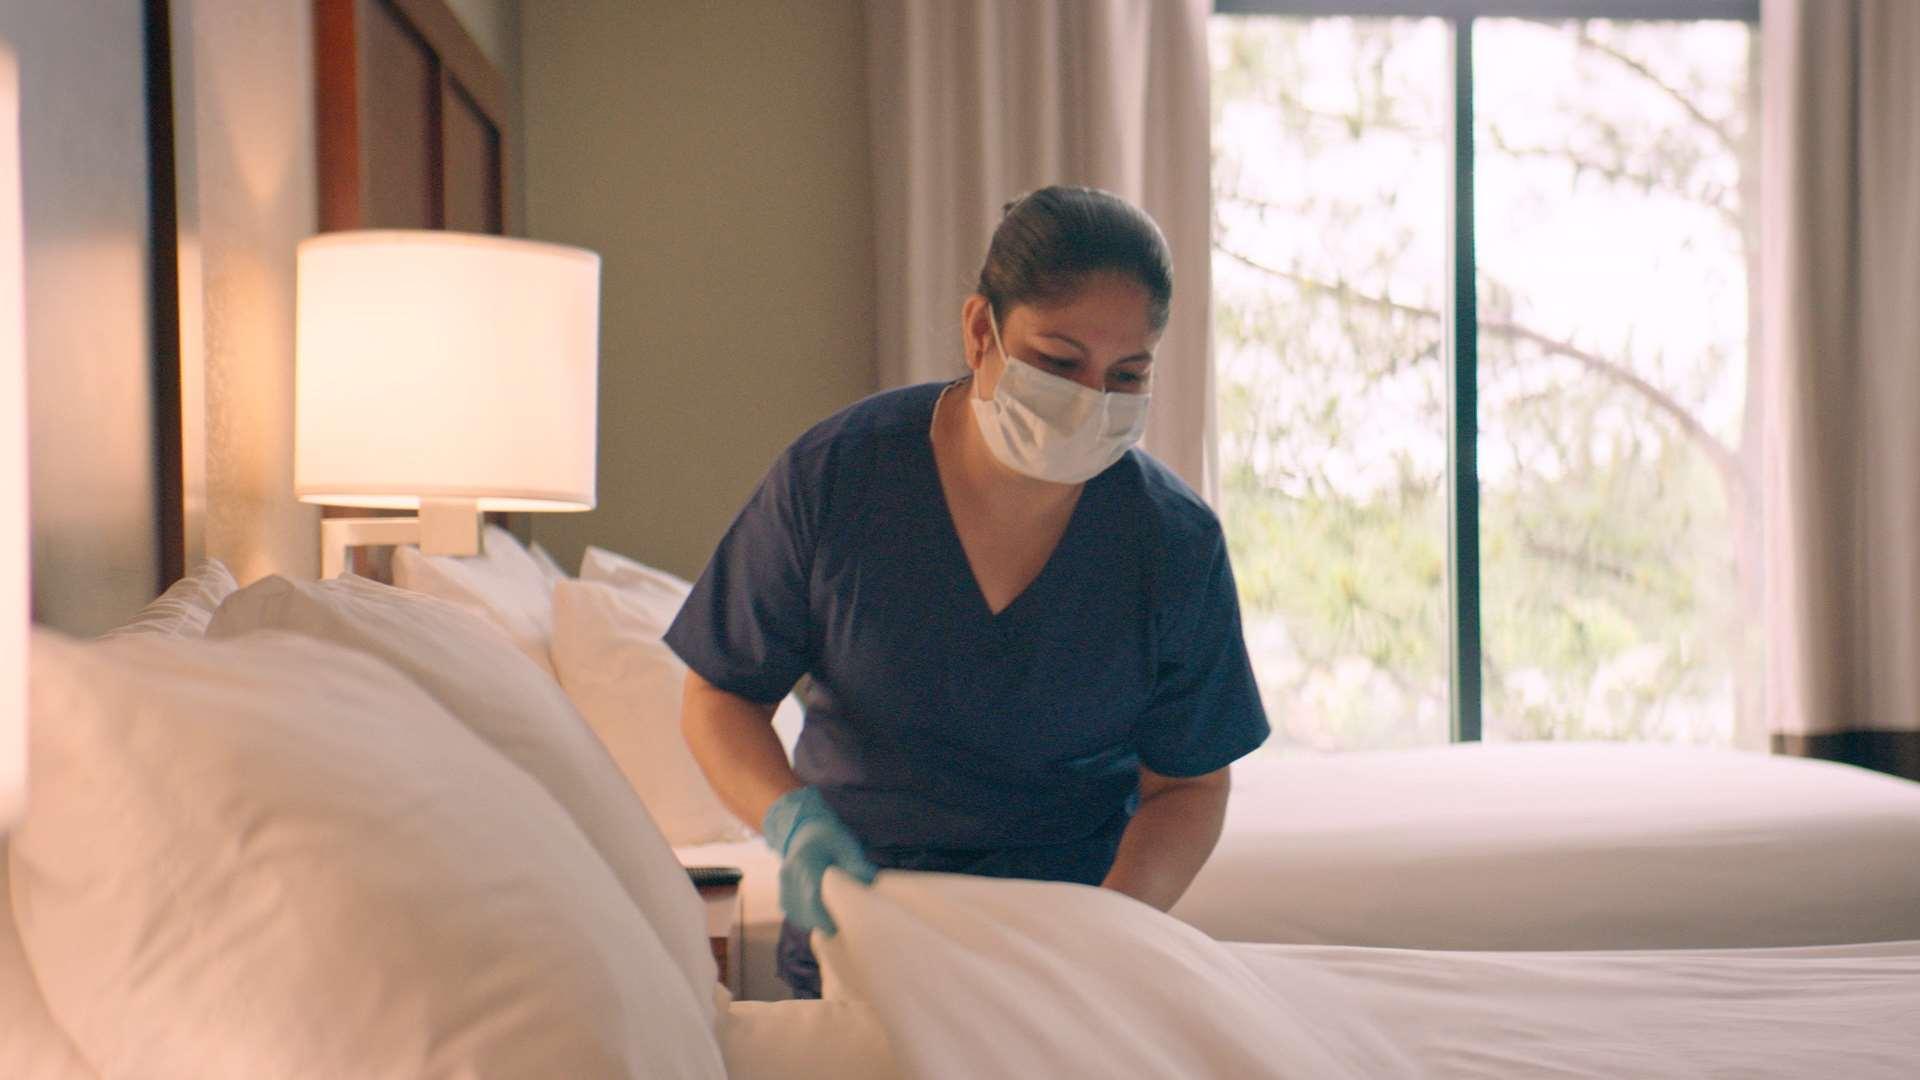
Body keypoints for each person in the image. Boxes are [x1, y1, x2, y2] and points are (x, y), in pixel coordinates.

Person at [664, 185, 1269, 998]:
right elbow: (720, 695)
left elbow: (1189, 785)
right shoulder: (842, 478)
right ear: (981, 330)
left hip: (1068, 945)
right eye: (1059, 362)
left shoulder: (1170, 542)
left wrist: (1112, 929)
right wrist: (791, 820)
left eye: (1127, 374)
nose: (1093, 401)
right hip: (865, 931)